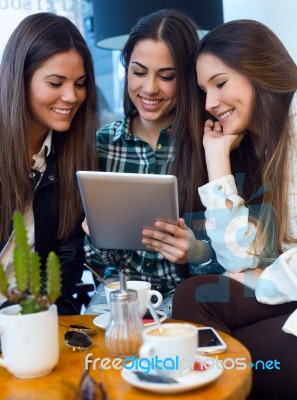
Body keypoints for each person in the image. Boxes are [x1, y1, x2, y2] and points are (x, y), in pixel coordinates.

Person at [172, 19, 297, 398]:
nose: (209, 103)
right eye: (204, 90)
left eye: (220, 83)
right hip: (286, 289)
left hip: (285, 288)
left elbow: (252, 273)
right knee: (193, 295)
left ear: (258, 69)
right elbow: (240, 259)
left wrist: (261, 279)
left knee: (231, 356)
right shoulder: (264, 145)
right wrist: (217, 157)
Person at [83, 9, 216, 317]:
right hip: (118, 291)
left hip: (185, 294)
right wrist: (96, 236)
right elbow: (97, 265)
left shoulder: (209, 144)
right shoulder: (102, 145)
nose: (150, 88)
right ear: (126, 68)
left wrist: (196, 252)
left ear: (186, 78)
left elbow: (233, 261)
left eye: (166, 76)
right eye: (139, 72)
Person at [0, 13, 98, 315]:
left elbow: (64, 263)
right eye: (56, 82)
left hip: (32, 318)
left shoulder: (73, 158)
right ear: (20, 79)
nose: (71, 96)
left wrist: (28, 316)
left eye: (80, 84)